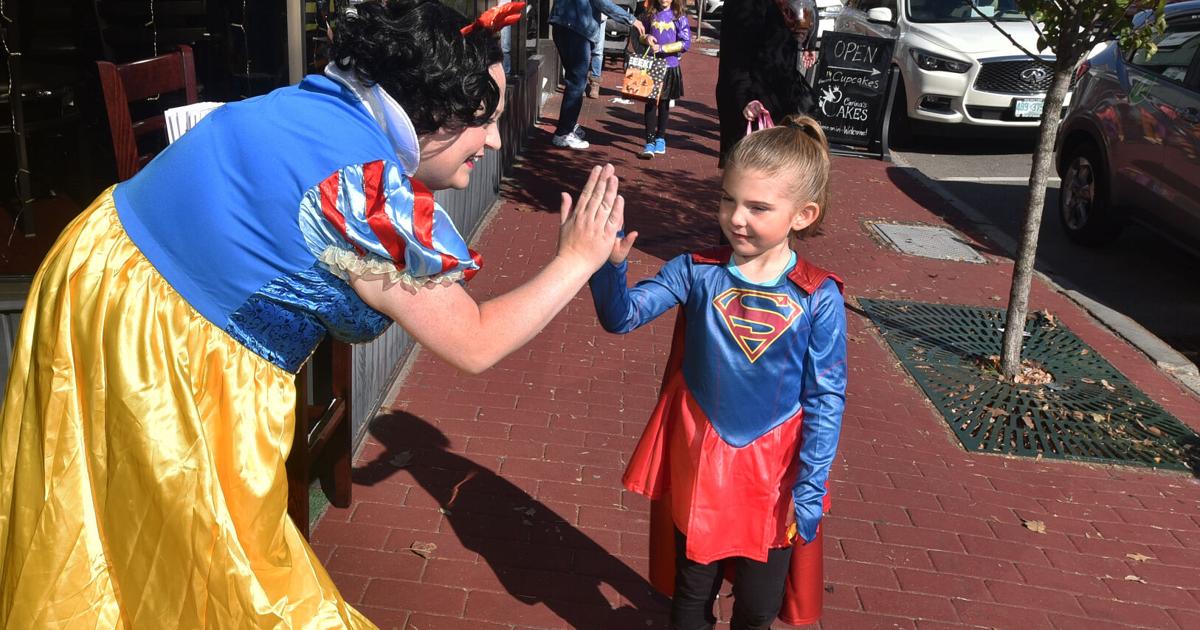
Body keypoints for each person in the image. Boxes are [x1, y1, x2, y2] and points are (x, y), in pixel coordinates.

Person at [0, 1, 627, 627]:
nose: (491, 139)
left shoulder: (319, 103)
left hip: (95, 269)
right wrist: (576, 260)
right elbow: (475, 341)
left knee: (98, 504)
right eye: (482, 118)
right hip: (164, 344)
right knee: (230, 573)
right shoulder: (363, 194)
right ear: (430, 111)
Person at [589, 116, 846, 629]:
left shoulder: (818, 296)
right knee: (690, 596)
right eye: (728, 199)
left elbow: (825, 398)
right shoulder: (695, 269)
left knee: (757, 607)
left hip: (775, 476)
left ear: (803, 214)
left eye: (758, 207)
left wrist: (811, 486)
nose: (737, 218)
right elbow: (622, 317)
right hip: (702, 460)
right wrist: (607, 268)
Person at [715, 0, 817, 167]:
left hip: (781, 95)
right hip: (752, 99)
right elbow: (734, 55)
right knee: (748, 172)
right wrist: (745, 98)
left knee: (778, 171)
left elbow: (806, 15)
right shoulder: (745, 5)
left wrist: (806, 38)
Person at [549, 0, 645, 149]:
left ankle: (568, 125)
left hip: (563, 23)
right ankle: (563, 133)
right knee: (577, 83)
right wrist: (630, 19)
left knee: (574, 80)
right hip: (576, 28)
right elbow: (601, 2)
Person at [635, 0, 690, 159]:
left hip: (670, 66)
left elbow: (686, 43)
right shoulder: (650, 15)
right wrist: (647, 38)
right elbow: (640, 36)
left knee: (665, 103)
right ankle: (649, 141)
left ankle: (660, 137)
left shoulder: (678, 17)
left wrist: (664, 48)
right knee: (651, 103)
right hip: (653, 65)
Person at [587, 15, 607, 98]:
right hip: (585, 16)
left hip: (600, 17)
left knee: (598, 51)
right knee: (584, 49)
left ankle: (595, 84)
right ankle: (581, 83)